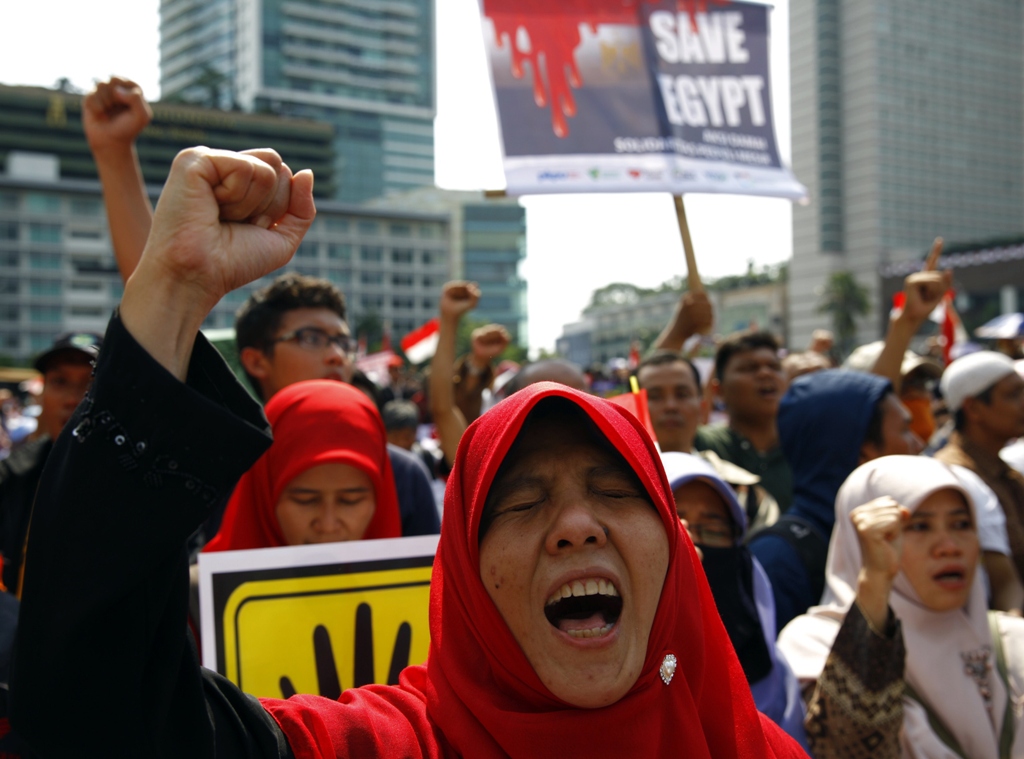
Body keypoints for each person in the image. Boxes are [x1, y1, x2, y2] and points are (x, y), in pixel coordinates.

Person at [11, 147, 804, 758]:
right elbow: (100, 713)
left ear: (675, 546)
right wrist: (172, 290)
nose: (575, 527)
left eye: (617, 491)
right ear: (461, 570)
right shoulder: (385, 744)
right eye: (520, 503)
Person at [82, 78, 438, 540]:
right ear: (255, 360)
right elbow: (162, 305)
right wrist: (115, 155)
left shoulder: (403, 473)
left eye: (342, 342)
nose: (336, 356)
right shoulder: (216, 454)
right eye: (311, 338)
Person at [778, 456, 1024, 759]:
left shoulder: (1012, 641)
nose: (949, 546)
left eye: (961, 524)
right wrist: (876, 581)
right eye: (919, 526)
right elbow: (848, 748)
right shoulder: (815, 645)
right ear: (860, 543)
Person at [748, 370, 920, 633]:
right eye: (906, 430)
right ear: (864, 453)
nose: (918, 444)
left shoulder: (911, 533)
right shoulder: (777, 562)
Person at [661, 452, 807, 749]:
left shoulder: (775, 670)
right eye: (675, 522)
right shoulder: (616, 674)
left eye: (712, 528)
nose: (694, 545)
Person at [204, 380, 401, 552]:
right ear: (264, 491)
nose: (328, 525)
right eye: (305, 500)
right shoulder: (200, 592)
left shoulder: (422, 590)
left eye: (351, 500)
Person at [0, 332, 101, 596]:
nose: (72, 399)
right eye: (60, 381)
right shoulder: (11, 477)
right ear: (42, 393)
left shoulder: (149, 486)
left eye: (90, 383)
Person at [638, 350, 779, 534]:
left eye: (682, 394)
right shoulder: (613, 488)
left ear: (702, 406)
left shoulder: (745, 493)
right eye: (654, 396)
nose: (670, 405)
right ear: (632, 405)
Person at [935, 351, 1024, 608]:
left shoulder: (1008, 474)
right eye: (1013, 395)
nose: (1023, 402)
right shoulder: (952, 476)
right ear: (973, 408)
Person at [694, 330, 793, 511]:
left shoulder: (807, 448)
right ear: (719, 391)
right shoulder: (702, 445)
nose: (765, 373)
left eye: (774, 366)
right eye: (749, 368)